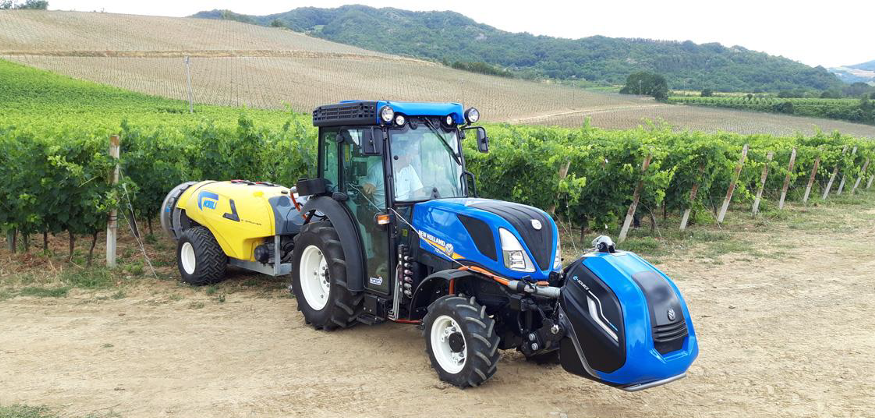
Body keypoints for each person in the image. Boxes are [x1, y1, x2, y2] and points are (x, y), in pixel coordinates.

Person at [362, 139, 425, 206]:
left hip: (407, 208)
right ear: (398, 155)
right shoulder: (377, 169)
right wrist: (369, 189)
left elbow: (418, 191)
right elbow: (367, 191)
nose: (412, 157)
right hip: (384, 210)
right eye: (409, 154)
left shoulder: (409, 169)